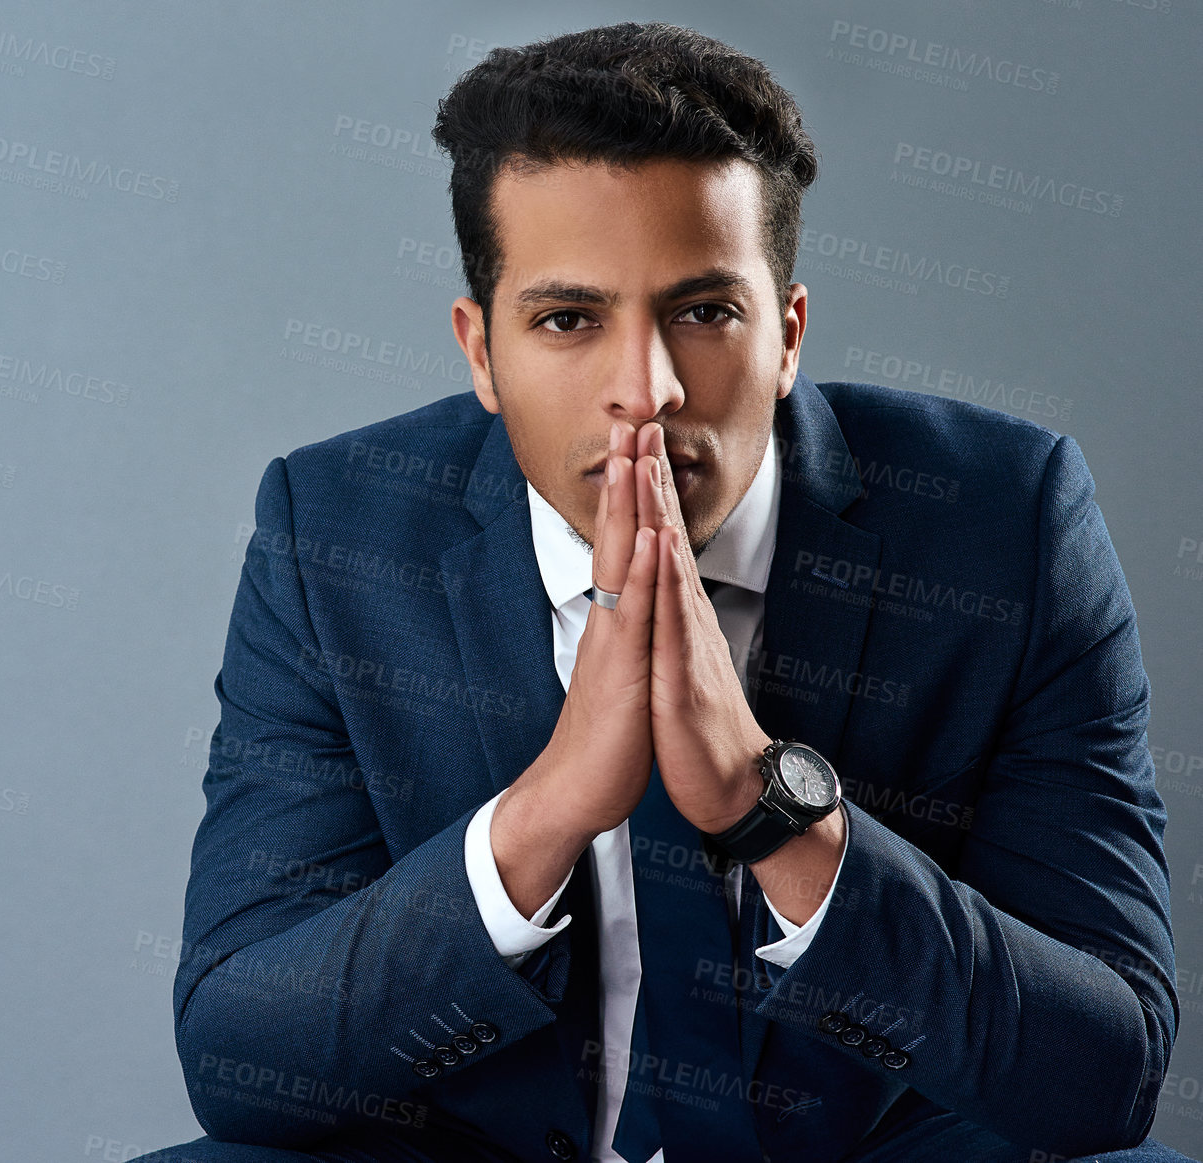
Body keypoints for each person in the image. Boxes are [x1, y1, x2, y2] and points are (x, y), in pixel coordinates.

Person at [142, 22, 1186, 1163]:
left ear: (785, 333)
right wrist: (540, 814)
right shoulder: (332, 531)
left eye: (701, 312)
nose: (642, 390)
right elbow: (237, 1048)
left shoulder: (1005, 522)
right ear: (479, 351)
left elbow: (1106, 1067)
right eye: (566, 319)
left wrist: (770, 803)